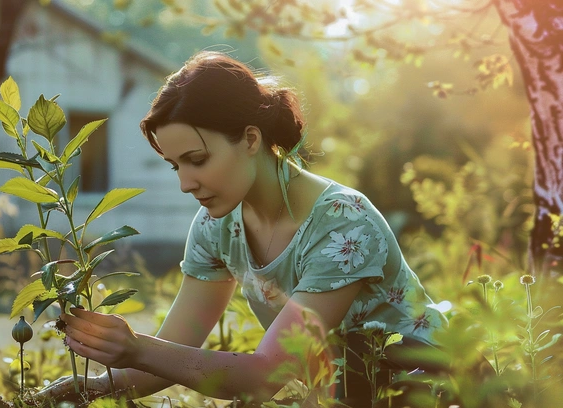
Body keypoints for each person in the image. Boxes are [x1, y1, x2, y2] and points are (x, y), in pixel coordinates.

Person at [37, 51, 447, 406]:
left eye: (197, 159)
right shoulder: (218, 227)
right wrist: (85, 387)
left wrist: (136, 348)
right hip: (338, 393)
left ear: (251, 139)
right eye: (175, 165)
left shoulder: (343, 224)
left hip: (423, 386)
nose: (185, 183)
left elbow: (264, 377)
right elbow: (165, 360)